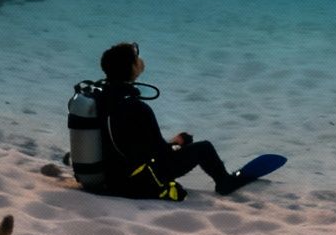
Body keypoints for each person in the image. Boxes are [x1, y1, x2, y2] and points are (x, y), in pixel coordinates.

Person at [92, 42, 250, 199]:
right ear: (132, 67)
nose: (140, 60)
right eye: (136, 58)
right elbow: (160, 153)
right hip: (134, 180)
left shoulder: (98, 98)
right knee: (204, 148)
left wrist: (173, 143)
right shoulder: (137, 108)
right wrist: (178, 143)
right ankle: (225, 183)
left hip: (109, 175)